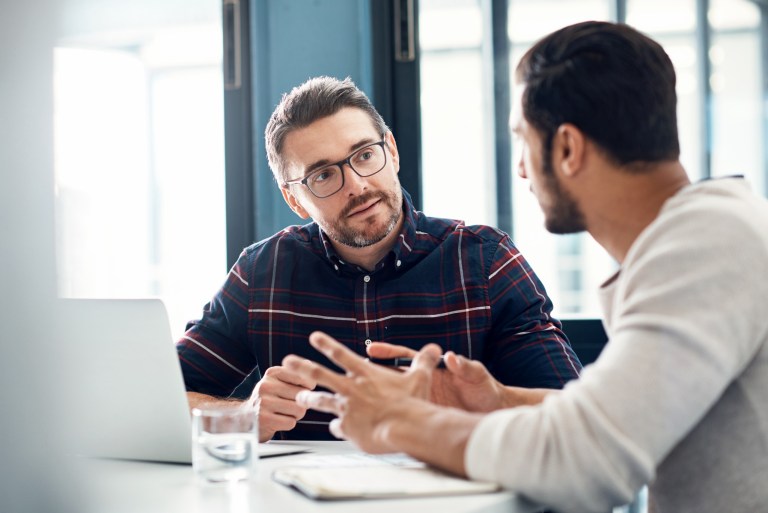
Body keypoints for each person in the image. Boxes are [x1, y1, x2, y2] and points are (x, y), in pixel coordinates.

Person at [283, 21, 768, 513]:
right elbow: (616, 417)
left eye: (522, 139)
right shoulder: (708, 236)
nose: (520, 168)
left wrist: (400, 422)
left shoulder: (704, 247)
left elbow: (586, 462)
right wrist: (498, 399)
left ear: (566, 149)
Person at [176, 76, 581, 442]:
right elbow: (159, 400)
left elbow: (573, 416)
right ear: (294, 199)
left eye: (365, 155)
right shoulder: (260, 273)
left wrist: (481, 401)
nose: (356, 184)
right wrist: (241, 416)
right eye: (323, 175)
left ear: (391, 150)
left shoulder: (486, 261)